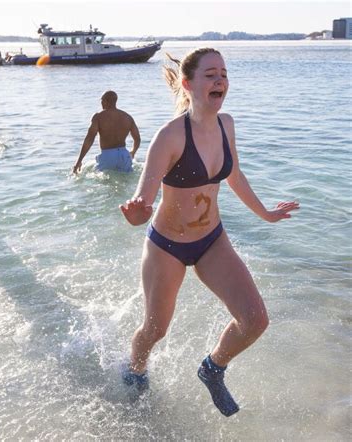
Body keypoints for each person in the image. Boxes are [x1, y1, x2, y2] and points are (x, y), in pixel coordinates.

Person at [119, 48, 299, 416]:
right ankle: (134, 372)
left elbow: (233, 175)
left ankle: (213, 368)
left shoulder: (226, 124)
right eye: (210, 74)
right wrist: (136, 213)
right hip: (167, 246)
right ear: (188, 84)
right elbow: (142, 202)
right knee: (154, 330)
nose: (220, 80)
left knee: (255, 319)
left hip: (211, 240)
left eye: (224, 74)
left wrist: (265, 213)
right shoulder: (169, 137)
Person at [72, 91, 140, 174]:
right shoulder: (127, 117)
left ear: (105, 101)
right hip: (124, 155)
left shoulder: (99, 117)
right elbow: (137, 139)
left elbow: (89, 139)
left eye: (101, 101)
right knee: (125, 182)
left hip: (107, 155)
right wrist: (133, 152)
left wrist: (79, 160)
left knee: (103, 183)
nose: (101, 104)